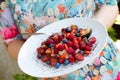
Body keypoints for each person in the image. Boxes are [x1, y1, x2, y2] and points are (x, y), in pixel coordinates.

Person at [0, 0, 120, 80]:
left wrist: (90, 34)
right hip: (53, 72)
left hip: (104, 65)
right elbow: (11, 41)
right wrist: (41, 54)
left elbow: (110, 4)